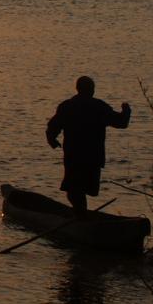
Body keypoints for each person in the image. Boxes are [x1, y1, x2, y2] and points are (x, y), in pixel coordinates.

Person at [45, 76, 130, 212]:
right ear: (92, 90)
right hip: (92, 156)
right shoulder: (99, 107)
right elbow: (121, 122)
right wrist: (126, 111)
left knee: (74, 189)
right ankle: (81, 213)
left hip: (74, 155)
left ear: (77, 89)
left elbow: (53, 127)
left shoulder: (68, 106)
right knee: (79, 189)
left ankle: (81, 213)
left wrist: (52, 139)